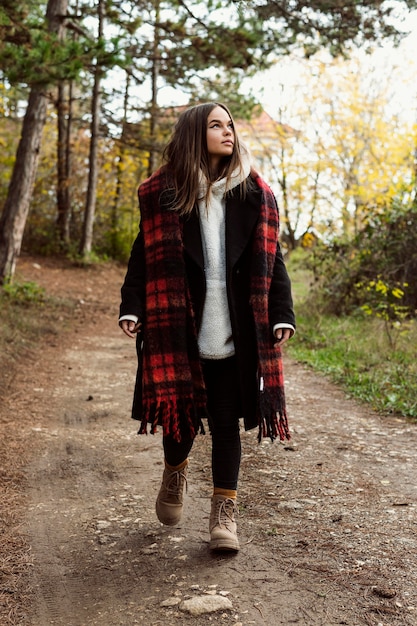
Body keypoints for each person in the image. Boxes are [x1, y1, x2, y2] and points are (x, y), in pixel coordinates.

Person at [119, 102, 295, 552]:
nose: (228, 131)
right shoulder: (165, 195)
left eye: (230, 124)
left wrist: (281, 313)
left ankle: (223, 515)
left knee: (224, 423)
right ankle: (175, 471)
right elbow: (144, 257)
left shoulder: (254, 194)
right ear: (195, 134)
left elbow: (273, 265)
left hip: (234, 332)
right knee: (181, 425)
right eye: (216, 125)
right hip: (181, 332)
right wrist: (133, 306)